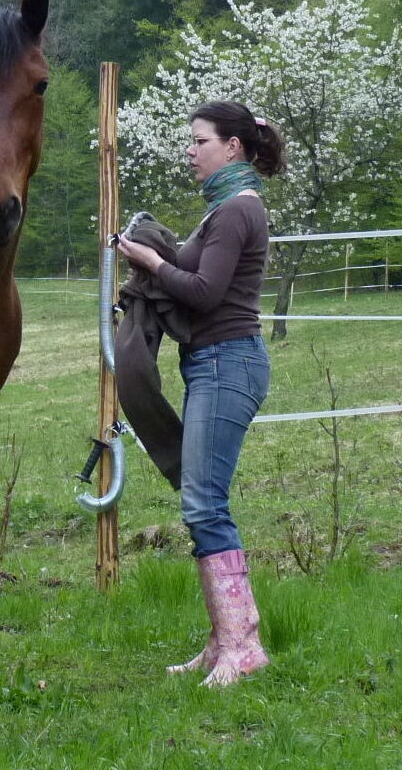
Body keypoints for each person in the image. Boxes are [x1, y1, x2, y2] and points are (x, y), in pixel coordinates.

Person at [115, 100, 284, 687]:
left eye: (199, 141)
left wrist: (151, 261)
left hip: (227, 363)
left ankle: (242, 647)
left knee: (205, 504)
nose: (190, 151)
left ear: (232, 147)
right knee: (201, 500)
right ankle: (223, 642)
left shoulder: (237, 211)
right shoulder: (225, 210)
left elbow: (206, 292)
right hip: (214, 364)